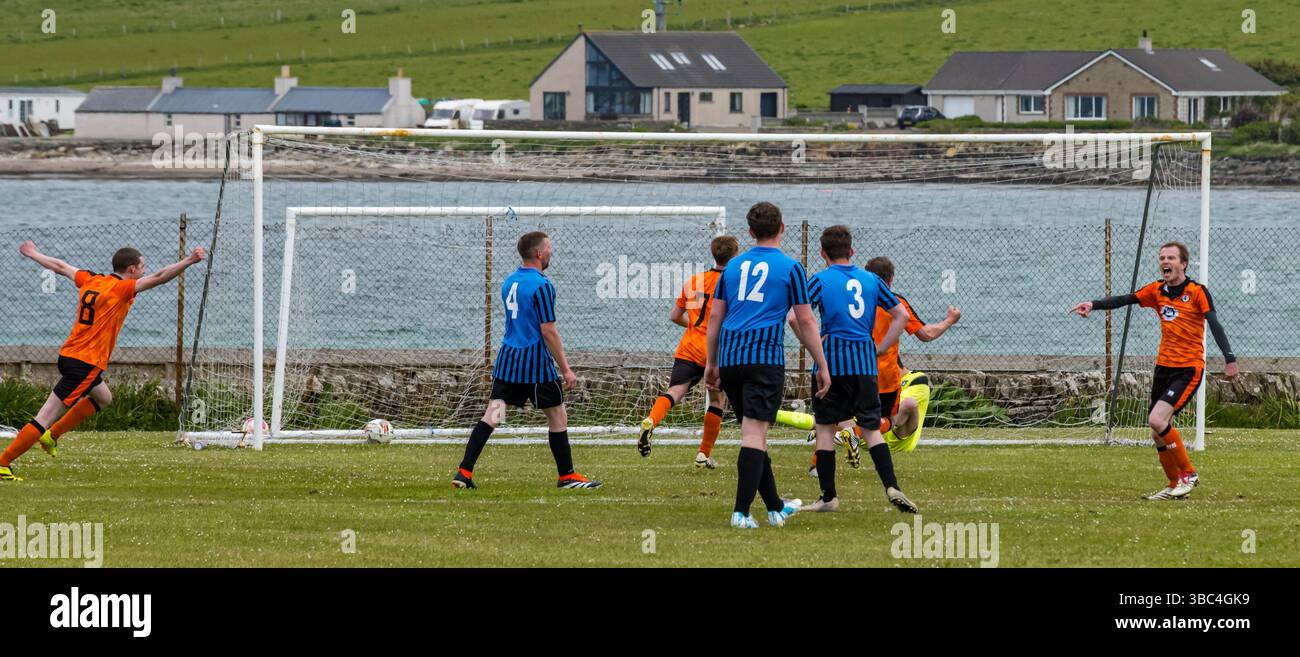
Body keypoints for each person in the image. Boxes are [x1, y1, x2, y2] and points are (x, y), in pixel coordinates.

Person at [1, 241, 206, 482]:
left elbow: (59, 266)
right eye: (142, 267)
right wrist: (189, 260)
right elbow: (160, 277)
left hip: (68, 355)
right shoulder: (122, 289)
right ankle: (3, 463)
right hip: (85, 362)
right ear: (131, 270)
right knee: (45, 416)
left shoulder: (92, 279)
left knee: (103, 398)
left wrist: (33, 252)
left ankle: (52, 436)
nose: (144, 271)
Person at [1070, 241, 1237, 500]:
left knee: (1157, 421)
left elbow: (1214, 324)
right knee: (1157, 431)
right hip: (1163, 368)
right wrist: (1093, 304)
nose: (1165, 262)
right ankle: (1173, 485)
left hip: (1188, 368)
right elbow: (1126, 299)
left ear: (1183, 264)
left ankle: (1189, 475)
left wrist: (1229, 358)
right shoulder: (1156, 290)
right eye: (1162, 258)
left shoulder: (1197, 292)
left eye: (1171, 258)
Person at [704, 202, 831, 529]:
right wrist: (822, 363)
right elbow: (805, 320)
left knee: (755, 434)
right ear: (782, 228)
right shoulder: (791, 268)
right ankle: (741, 513)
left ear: (749, 232)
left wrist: (711, 362)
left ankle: (775, 507)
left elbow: (715, 316)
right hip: (764, 359)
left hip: (731, 359)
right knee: (754, 433)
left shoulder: (731, 268)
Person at [451, 231, 601, 490]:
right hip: (535, 365)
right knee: (558, 416)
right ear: (539, 253)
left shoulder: (509, 281)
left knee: (493, 415)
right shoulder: (542, 285)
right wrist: (566, 369)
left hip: (508, 361)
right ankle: (566, 476)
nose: (552, 252)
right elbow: (548, 330)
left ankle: (464, 471)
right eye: (549, 248)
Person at [786, 225, 917, 514]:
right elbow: (902, 315)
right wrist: (880, 348)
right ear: (852, 251)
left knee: (824, 429)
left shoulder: (819, 280)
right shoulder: (871, 279)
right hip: (865, 366)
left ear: (822, 253)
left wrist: (813, 344)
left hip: (830, 366)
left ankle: (828, 497)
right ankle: (891, 486)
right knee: (872, 430)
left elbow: (795, 317)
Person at [637, 235, 738, 469]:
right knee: (717, 399)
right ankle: (703, 454)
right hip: (717, 351)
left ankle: (651, 420)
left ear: (714, 254)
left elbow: (674, 315)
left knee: (675, 391)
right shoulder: (732, 283)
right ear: (734, 256)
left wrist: (694, 326)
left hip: (689, 347)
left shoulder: (694, 281)